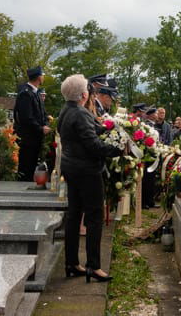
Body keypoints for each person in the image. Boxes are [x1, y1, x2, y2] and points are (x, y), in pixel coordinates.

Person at [58, 74, 122, 283]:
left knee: (74, 215)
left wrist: (110, 128)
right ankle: (93, 266)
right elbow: (93, 145)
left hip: (71, 168)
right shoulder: (81, 113)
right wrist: (118, 150)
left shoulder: (66, 110)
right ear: (84, 94)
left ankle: (71, 262)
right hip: (86, 171)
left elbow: (90, 132)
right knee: (94, 217)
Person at [14, 66, 52, 182]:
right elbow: (26, 118)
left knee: (32, 166)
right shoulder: (26, 93)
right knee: (26, 168)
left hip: (35, 137)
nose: (43, 77)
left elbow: (42, 113)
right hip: (28, 138)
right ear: (39, 77)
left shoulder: (35, 92)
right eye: (43, 75)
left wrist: (47, 123)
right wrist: (41, 128)